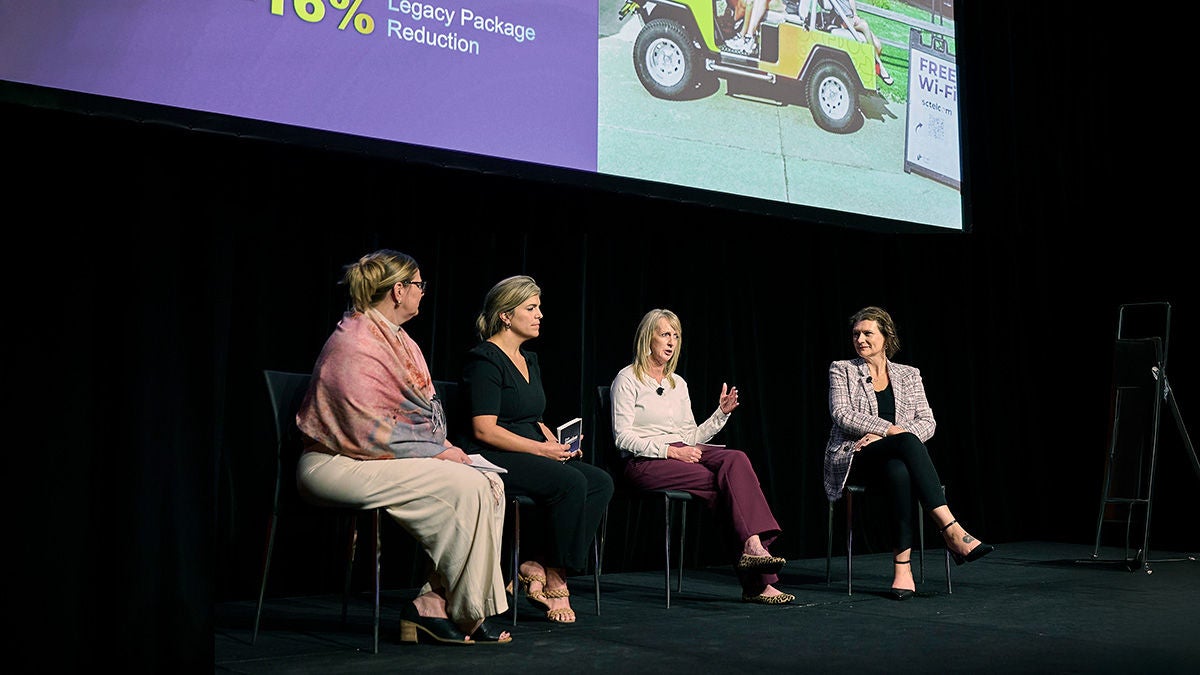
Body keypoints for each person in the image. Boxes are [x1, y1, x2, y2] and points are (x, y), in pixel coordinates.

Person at [295, 249, 512, 645]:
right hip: (335, 462)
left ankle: (437, 603)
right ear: (398, 290)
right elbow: (364, 428)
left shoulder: (401, 341)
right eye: (418, 285)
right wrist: (437, 451)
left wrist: (445, 447)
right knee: (464, 485)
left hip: (375, 458)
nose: (423, 292)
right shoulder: (356, 342)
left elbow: (420, 417)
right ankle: (462, 610)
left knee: (487, 483)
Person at [610, 308, 795, 605]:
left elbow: (691, 435)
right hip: (644, 462)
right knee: (722, 486)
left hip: (681, 451)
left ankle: (753, 546)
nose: (671, 342)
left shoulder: (677, 383)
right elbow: (623, 437)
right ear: (648, 339)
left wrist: (720, 415)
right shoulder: (628, 379)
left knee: (735, 459)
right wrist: (670, 450)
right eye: (664, 334)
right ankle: (758, 579)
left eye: (675, 336)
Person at [462, 275, 615, 623]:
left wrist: (554, 444)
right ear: (505, 315)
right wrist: (540, 450)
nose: (540, 315)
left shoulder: (529, 359)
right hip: (491, 453)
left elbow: (533, 415)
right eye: (531, 308)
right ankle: (557, 577)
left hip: (528, 446)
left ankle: (536, 564)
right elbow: (484, 429)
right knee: (570, 484)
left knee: (598, 481)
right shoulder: (484, 359)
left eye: (539, 307)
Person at [824, 306, 994, 600]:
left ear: (886, 336)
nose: (860, 339)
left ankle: (903, 571)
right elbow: (841, 414)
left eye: (868, 333)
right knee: (906, 440)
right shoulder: (843, 369)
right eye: (856, 334)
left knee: (899, 469)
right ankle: (951, 529)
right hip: (856, 456)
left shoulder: (909, 375)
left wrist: (886, 433)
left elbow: (928, 422)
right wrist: (887, 430)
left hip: (895, 459)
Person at [835, 0, 893, 85]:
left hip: (851, 18)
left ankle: (873, 73)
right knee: (864, 25)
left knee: (878, 46)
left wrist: (855, 15)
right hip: (842, 19)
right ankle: (880, 66)